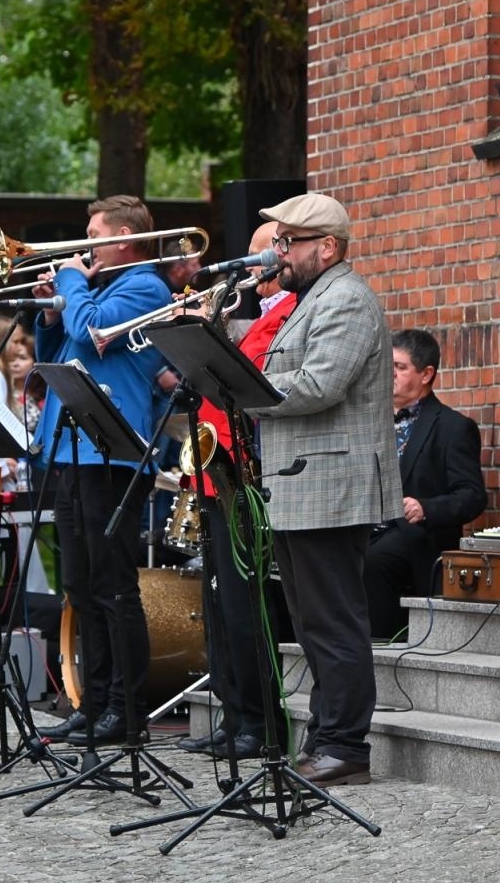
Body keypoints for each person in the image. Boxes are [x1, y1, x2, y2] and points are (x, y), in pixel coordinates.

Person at [247, 193, 400, 787]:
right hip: (303, 484)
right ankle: (324, 735)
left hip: (331, 486)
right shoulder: (313, 298)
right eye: (279, 242)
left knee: (333, 621)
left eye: (289, 243)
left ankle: (345, 746)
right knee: (311, 622)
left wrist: (242, 385)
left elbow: (320, 383)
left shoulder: (346, 298)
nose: (279, 254)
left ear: (328, 247)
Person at [30, 196, 171, 746]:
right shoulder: (99, 288)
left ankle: (126, 709)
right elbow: (61, 350)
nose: (84, 246)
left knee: (114, 587)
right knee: (80, 586)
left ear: (124, 239)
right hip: (72, 450)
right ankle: (92, 702)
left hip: (112, 453)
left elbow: (92, 333)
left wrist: (70, 285)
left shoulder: (145, 288)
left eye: (93, 235)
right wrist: (50, 313)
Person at [174, 221, 293, 760]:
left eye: (258, 255)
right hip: (214, 468)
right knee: (218, 603)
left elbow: (251, 383)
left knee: (244, 606)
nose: (248, 267)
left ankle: (260, 722)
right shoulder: (261, 313)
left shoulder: (289, 314)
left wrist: (210, 338)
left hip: (243, 472)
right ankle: (234, 712)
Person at [363, 329, 487, 640]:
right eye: (387, 366)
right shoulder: (369, 422)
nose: (390, 374)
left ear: (426, 374)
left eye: (400, 367)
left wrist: (425, 508)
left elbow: (472, 496)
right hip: (365, 529)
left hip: (416, 538)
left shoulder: (453, 427)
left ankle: (379, 648)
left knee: (373, 561)